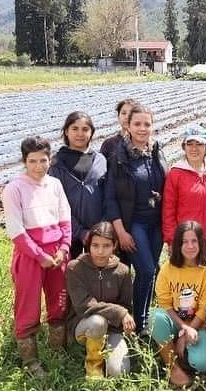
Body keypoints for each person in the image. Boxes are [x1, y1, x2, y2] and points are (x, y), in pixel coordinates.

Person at [1, 135, 72, 378]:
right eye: (33, 161)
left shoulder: (54, 185)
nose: (39, 166)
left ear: (50, 159)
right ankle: (31, 362)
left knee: (59, 303)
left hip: (57, 254)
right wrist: (39, 255)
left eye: (43, 160)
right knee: (27, 306)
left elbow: (65, 219)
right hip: (30, 256)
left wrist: (64, 248)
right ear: (24, 161)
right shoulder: (14, 189)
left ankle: (58, 351)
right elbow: (16, 230)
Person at [109, 103, 168, 332]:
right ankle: (139, 321)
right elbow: (111, 198)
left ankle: (144, 316)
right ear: (128, 125)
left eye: (147, 124)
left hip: (157, 223)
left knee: (151, 269)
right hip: (135, 223)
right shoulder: (119, 157)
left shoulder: (156, 152)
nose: (142, 128)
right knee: (145, 270)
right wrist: (121, 231)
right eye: (137, 124)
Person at [150, 220, 206, 386]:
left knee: (203, 363)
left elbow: (204, 308)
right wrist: (183, 329)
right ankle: (172, 366)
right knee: (155, 317)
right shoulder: (167, 269)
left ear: (201, 243)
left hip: (199, 323)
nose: (190, 246)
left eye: (194, 241)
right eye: (184, 241)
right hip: (175, 321)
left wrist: (189, 331)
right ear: (177, 244)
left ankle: (186, 356)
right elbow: (165, 304)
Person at [65, 222, 136, 378]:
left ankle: (107, 353)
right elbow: (84, 306)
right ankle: (94, 366)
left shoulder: (123, 271)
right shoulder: (74, 268)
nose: (100, 251)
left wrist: (123, 314)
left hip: (112, 329)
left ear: (114, 245)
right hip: (84, 325)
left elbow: (125, 305)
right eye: (95, 245)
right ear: (88, 245)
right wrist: (119, 312)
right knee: (98, 322)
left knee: (119, 372)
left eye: (106, 246)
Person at [49, 111, 118, 260]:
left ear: (91, 132)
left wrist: (99, 229)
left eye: (85, 129)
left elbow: (109, 196)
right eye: (75, 129)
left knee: (96, 276)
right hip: (67, 234)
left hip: (98, 235)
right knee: (71, 276)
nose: (80, 134)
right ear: (66, 131)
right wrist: (80, 232)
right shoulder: (56, 163)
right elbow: (56, 203)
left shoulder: (100, 160)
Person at [162, 124, 206, 264]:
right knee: (185, 283)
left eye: (199, 144)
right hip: (185, 243)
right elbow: (168, 210)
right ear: (184, 147)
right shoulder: (175, 174)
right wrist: (171, 240)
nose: (194, 149)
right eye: (190, 144)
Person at [100, 96, 137, 161]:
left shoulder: (142, 143)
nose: (127, 117)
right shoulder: (108, 144)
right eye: (123, 113)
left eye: (131, 114)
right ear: (118, 116)